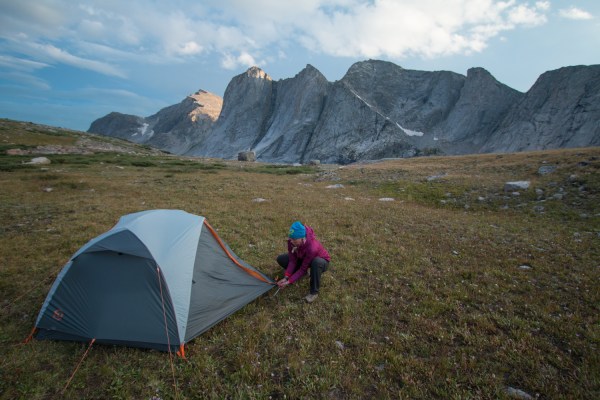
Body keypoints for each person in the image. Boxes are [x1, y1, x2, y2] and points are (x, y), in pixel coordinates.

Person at [276, 221, 331, 303]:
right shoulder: (291, 241)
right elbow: (292, 261)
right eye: (290, 238)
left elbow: (303, 269)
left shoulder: (312, 248)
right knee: (281, 259)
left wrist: (289, 282)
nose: (291, 241)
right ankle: (302, 275)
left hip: (320, 261)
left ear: (302, 238)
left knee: (316, 263)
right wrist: (286, 277)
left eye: (294, 239)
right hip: (303, 257)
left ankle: (314, 292)